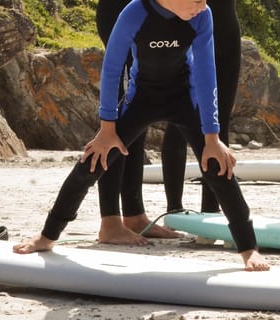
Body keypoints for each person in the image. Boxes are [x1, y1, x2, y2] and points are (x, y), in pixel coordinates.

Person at [13, 0, 270, 271]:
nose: (203, 4)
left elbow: (206, 74)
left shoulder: (202, 15)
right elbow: (112, 69)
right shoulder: (135, 12)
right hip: (141, 99)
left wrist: (212, 137)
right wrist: (107, 129)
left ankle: (248, 248)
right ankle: (48, 235)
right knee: (92, 162)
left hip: (185, 98)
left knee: (218, 166)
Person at [93, 0, 242, 245]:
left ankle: (208, 216)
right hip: (132, 9)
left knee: (217, 110)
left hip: (214, 12)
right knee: (128, 114)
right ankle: (112, 221)